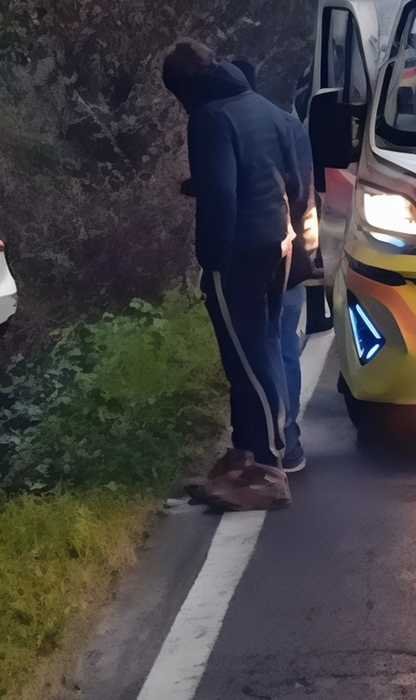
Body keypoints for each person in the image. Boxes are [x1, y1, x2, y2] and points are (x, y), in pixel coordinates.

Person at [164, 39, 304, 510]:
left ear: (183, 87)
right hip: (278, 244)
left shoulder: (209, 117)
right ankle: (245, 461)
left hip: (239, 253)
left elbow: (222, 195)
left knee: (249, 363)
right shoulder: (261, 106)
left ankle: (267, 469)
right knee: (260, 348)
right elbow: (295, 182)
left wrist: (211, 260)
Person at [231, 58, 316, 470]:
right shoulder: (288, 124)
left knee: (264, 346)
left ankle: (274, 444)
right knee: (285, 347)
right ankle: (290, 439)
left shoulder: (234, 125)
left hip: (263, 254)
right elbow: (304, 190)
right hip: (295, 253)